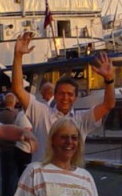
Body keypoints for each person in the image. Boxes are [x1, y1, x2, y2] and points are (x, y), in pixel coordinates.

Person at [12, 30, 116, 160]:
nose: (65, 98)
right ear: (54, 96)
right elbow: (18, 89)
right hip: (45, 176)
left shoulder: (82, 119)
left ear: (75, 97)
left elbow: (108, 105)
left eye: (69, 94)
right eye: (61, 93)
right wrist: (18, 56)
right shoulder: (41, 113)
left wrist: (109, 80)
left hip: (70, 177)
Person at [0, 92, 34, 196]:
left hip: (3, 148)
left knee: (5, 176)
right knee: (13, 176)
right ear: (14, 102)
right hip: (14, 148)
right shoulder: (15, 116)